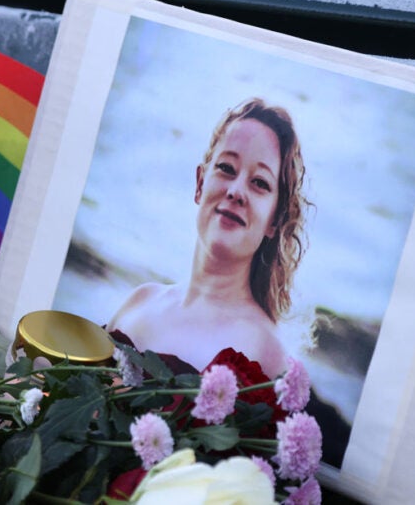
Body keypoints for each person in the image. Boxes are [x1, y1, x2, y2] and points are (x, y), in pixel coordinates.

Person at [109, 98, 308, 377]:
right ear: (200, 183)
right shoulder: (139, 301)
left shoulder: (268, 352)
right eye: (227, 168)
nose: (236, 191)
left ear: (275, 220)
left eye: (259, 183)